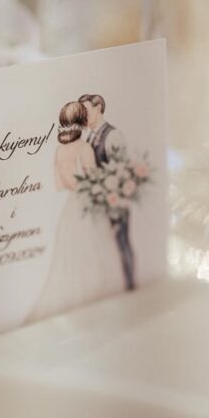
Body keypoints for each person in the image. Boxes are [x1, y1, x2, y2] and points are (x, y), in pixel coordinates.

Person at [27, 101, 124, 323]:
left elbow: (59, 184)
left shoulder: (60, 151)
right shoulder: (84, 149)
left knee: (71, 259)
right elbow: (93, 181)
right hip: (86, 204)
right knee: (95, 253)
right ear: (82, 121)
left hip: (70, 206)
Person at [79, 93, 135, 290]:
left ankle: (130, 286)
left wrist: (116, 207)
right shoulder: (89, 136)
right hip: (99, 204)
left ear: (98, 108)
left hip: (115, 203)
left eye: (86, 110)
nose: (83, 115)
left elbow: (121, 172)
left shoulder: (113, 136)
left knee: (121, 245)